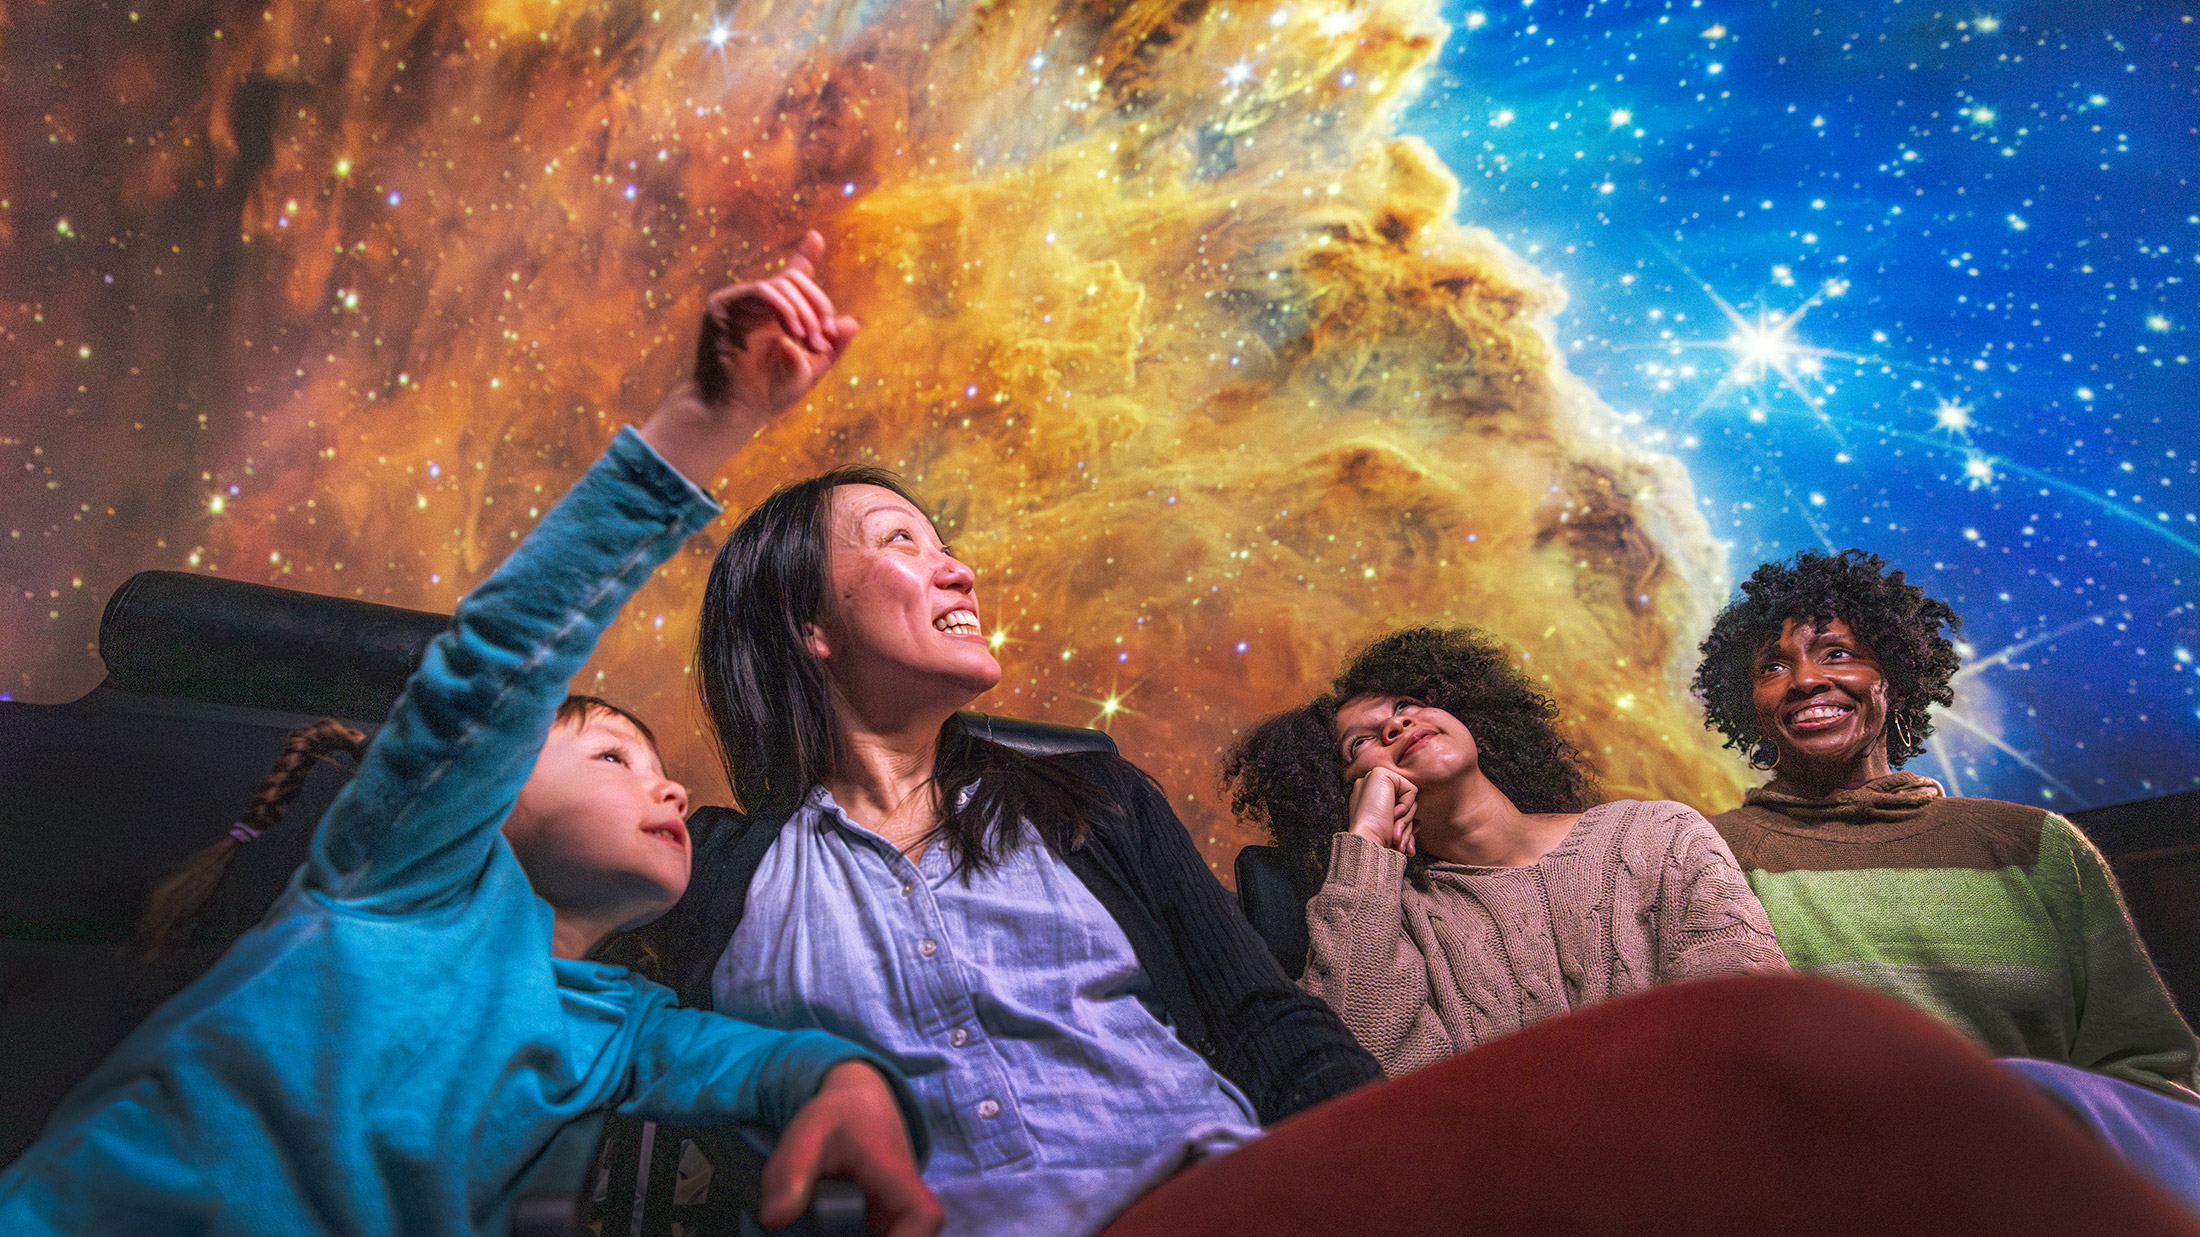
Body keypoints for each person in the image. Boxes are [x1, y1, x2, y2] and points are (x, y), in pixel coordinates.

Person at [647, 442, 2200, 1236]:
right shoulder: (719, 870)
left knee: (1811, 1066)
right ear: (803, 618)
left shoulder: (1085, 797)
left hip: (1224, 1199)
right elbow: (1356, 1020)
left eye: (945, 529)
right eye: (901, 539)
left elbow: (1271, 1032)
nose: (960, 558)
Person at [0, 234, 942, 1237]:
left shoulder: (619, 1027)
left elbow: (763, 1060)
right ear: (489, 795)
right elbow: (506, 657)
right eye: (614, 757)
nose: (669, 791)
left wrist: (850, 1088)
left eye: (661, 771)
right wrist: (708, 419)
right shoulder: (406, 873)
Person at [1692, 547, 2200, 1203]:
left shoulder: (2036, 846)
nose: (1805, 679)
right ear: (1749, 703)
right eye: (1773, 665)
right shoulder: (1705, 853)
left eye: (1838, 652)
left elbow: (2153, 1074)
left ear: (1896, 678)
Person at [1225, 626, 1787, 1076]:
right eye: (1361, 742)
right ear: (1341, 793)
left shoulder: (1656, 835)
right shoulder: (1393, 922)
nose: (1396, 723)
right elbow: (1365, 1078)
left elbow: (1748, 1029)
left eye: (1407, 703)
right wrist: (1366, 845)